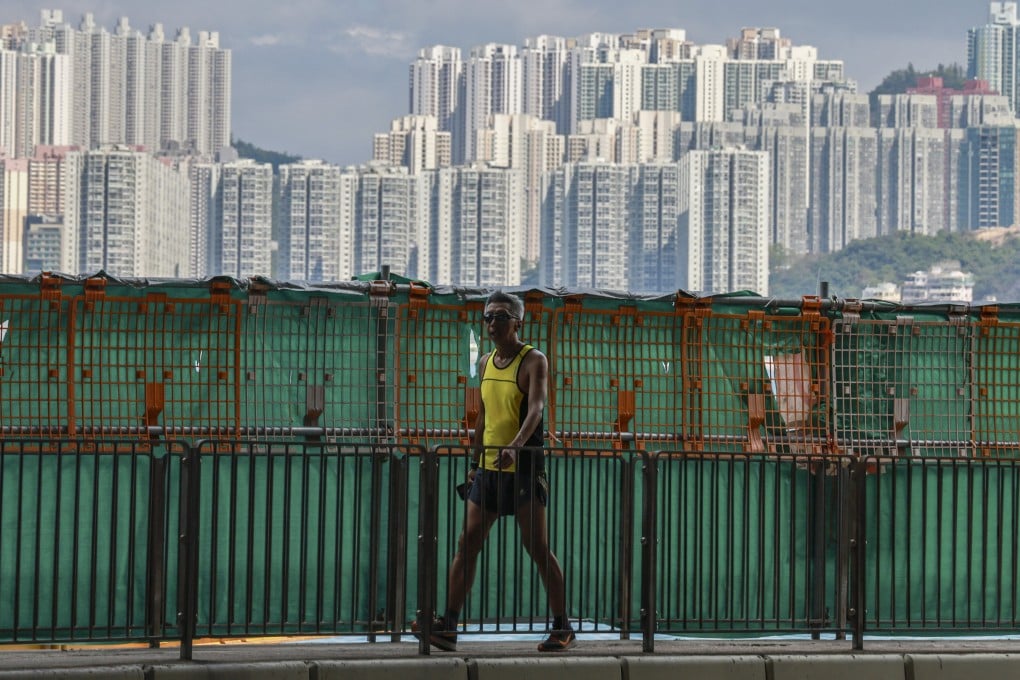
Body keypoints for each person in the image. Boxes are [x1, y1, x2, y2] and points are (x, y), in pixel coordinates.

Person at [414, 290, 576, 652]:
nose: (492, 323)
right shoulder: (486, 361)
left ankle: (563, 627)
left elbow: (536, 409)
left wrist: (516, 447)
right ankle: (448, 626)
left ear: (518, 322)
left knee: (537, 547)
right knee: (466, 543)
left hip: (524, 468)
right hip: (488, 468)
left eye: (501, 316)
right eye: (487, 317)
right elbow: (484, 417)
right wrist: (474, 464)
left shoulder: (534, 360)